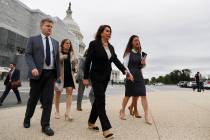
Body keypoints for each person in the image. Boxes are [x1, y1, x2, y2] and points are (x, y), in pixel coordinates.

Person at [83, 25, 132, 139]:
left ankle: (91, 122)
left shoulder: (111, 47)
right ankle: (106, 129)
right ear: (101, 33)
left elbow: (115, 60)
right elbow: (88, 61)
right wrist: (86, 77)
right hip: (95, 76)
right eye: (107, 31)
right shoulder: (94, 44)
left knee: (98, 100)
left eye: (110, 31)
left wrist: (125, 71)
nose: (109, 33)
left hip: (105, 77)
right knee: (101, 100)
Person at [23, 18, 60, 136]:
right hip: (37, 74)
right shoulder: (33, 39)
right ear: (41, 27)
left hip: (50, 75)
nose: (50, 28)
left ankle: (45, 125)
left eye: (51, 26)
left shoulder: (55, 42)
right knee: (33, 99)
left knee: (48, 101)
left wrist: (58, 75)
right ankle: (27, 118)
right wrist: (33, 67)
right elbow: (28, 54)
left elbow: (56, 59)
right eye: (48, 26)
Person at [119, 35, 152, 125]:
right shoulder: (128, 53)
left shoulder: (140, 53)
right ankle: (122, 111)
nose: (138, 42)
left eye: (138, 40)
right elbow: (124, 65)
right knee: (128, 95)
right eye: (135, 40)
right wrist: (129, 74)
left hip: (139, 76)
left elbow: (141, 66)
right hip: (130, 76)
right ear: (132, 42)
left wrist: (143, 63)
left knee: (143, 95)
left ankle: (146, 116)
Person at [54, 39, 77, 121]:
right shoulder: (59, 52)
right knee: (58, 93)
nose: (68, 45)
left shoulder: (72, 54)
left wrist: (74, 66)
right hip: (60, 76)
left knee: (70, 92)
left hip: (69, 76)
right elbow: (58, 60)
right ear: (63, 44)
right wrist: (63, 56)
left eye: (69, 43)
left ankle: (68, 113)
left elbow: (74, 65)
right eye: (66, 43)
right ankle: (57, 111)